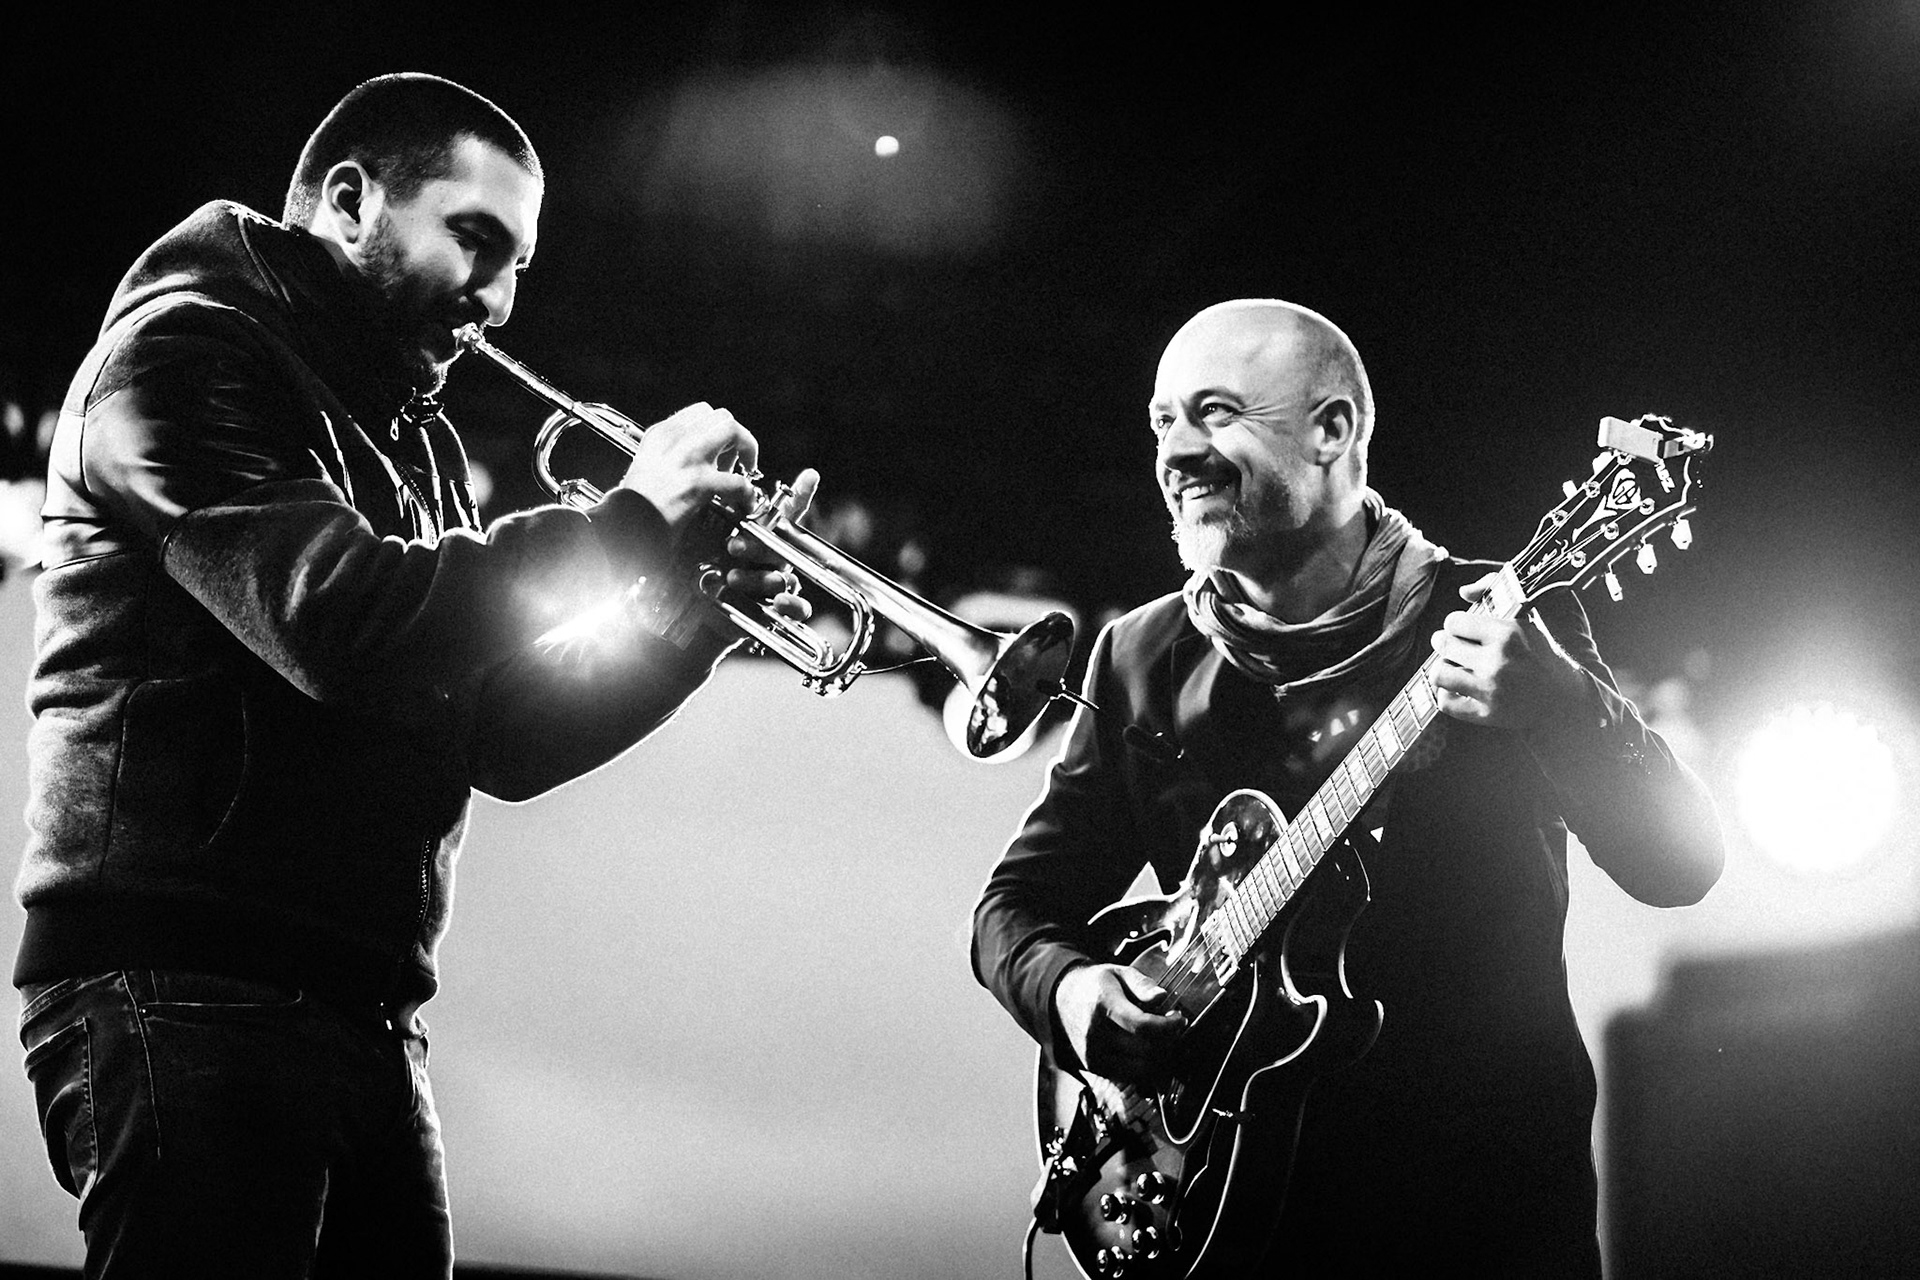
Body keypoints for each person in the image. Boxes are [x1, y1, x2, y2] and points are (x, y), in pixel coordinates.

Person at [14, 72, 813, 1277]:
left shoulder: (418, 439)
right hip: (183, 980)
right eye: (474, 241)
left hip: (363, 1009)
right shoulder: (182, 353)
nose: (494, 301)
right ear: (348, 202)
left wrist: (685, 629)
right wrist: (628, 522)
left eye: (517, 267)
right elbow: (336, 624)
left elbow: (499, 740)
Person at [971, 299, 1725, 1275]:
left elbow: (1682, 864)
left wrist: (1562, 707)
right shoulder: (1139, 658)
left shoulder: (1501, 618)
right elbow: (1013, 907)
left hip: (1474, 1223)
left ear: (1332, 430)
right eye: (1164, 421)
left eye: (1216, 412)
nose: (1177, 452)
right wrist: (1070, 990)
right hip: (1228, 1225)